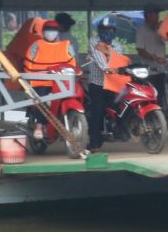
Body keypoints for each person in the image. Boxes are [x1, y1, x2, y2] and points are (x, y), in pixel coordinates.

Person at [24, 21, 78, 143]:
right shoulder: (36, 45)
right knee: (41, 100)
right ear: (43, 32)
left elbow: (72, 61)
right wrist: (34, 75)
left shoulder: (66, 45)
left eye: (53, 30)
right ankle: (39, 125)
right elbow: (28, 62)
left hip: (61, 80)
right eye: (48, 29)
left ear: (58, 32)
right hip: (41, 81)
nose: (51, 32)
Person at [82, 18, 120, 156]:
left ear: (114, 32)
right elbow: (99, 58)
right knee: (97, 113)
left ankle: (115, 133)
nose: (107, 32)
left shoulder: (117, 46)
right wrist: (106, 68)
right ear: (99, 31)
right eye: (104, 29)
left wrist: (120, 67)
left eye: (110, 29)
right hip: (97, 83)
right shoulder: (94, 41)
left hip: (113, 84)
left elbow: (119, 60)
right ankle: (94, 144)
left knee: (114, 110)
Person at [135, 4, 168, 109]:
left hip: (161, 70)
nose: (158, 16)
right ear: (148, 15)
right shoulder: (141, 31)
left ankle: (161, 122)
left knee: (160, 97)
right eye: (155, 13)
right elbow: (140, 50)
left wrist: (162, 30)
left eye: (158, 14)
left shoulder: (160, 30)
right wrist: (155, 58)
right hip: (148, 71)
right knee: (150, 98)